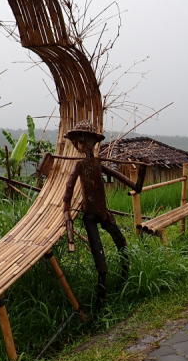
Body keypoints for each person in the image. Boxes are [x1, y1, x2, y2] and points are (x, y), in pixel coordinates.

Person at [50, 120, 147, 307]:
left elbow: (136, 187)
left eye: (84, 140)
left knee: (122, 245)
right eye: (78, 141)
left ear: (93, 142)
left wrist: (141, 170)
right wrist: (66, 214)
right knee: (100, 263)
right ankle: (100, 303)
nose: (81, 144)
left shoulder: (98, 164)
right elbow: (67, 193)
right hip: (91, 216)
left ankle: (125, 282)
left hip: (104, 213)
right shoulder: (79, 166)